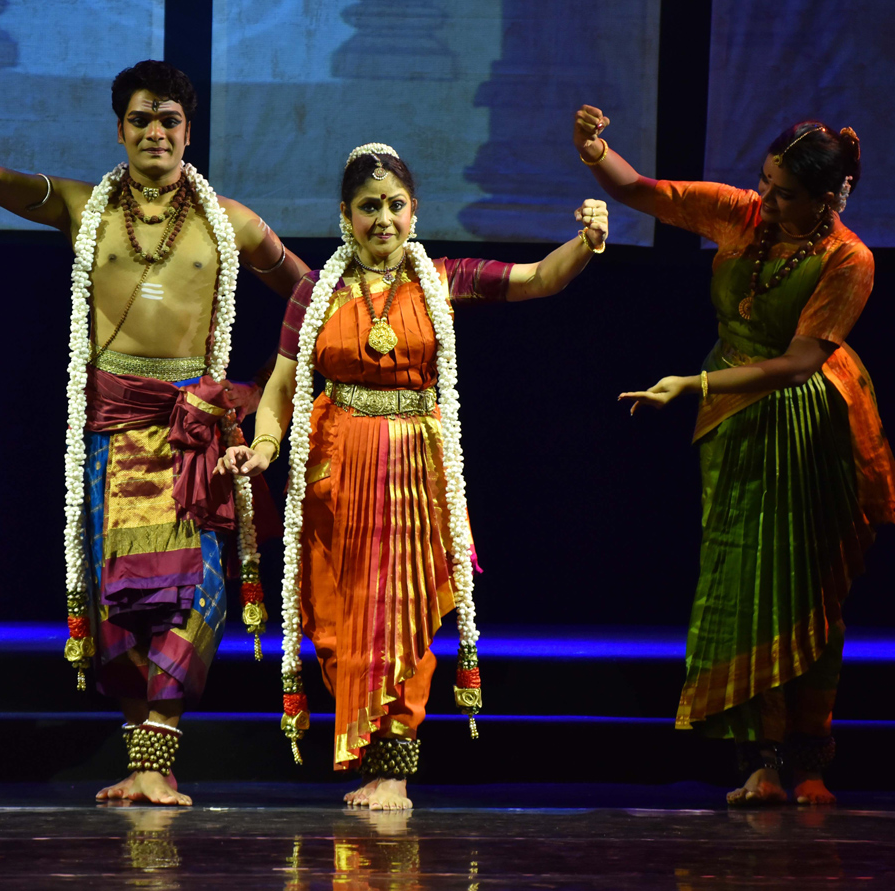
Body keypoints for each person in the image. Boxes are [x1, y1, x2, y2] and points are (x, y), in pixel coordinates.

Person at [0, 57, 307, 806]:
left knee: (200, 592)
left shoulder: (232, 221)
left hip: (193, 430)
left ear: (190, 130)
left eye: (170, 120)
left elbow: (309, 295)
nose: (156, 131)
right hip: (112, 427)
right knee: (118, 599)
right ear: (120, 130)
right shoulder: (85, 207)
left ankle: (160, 748)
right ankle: (145, 762)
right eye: (141, 119)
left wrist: (273, 388)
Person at [217, 143, 608, 809]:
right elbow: (281, 386)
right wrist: (262, 448)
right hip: (335, 472)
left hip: (411, 475)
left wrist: (588, 241)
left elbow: (537, 279)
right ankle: (365, 748)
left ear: (414, 211)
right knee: (339, 619)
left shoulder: (441, 278)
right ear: (345, 214)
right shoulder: (316, 292)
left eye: (395, 205)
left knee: (402, 613)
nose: (383, 219)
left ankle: (394, 765)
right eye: (369, 207)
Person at [574, 106, 895, 806]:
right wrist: (597, 151)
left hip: (812, 426)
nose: (766, 200)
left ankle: (810, 758)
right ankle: (762, 760)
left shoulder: (848, 260)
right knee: (748, 584)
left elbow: (800, 362)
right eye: (765, 183)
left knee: (807, 593)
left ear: (830, 198)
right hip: (735, 422)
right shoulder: (745, 218)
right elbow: (645, 192)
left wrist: (695, 383)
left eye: (784, 193)